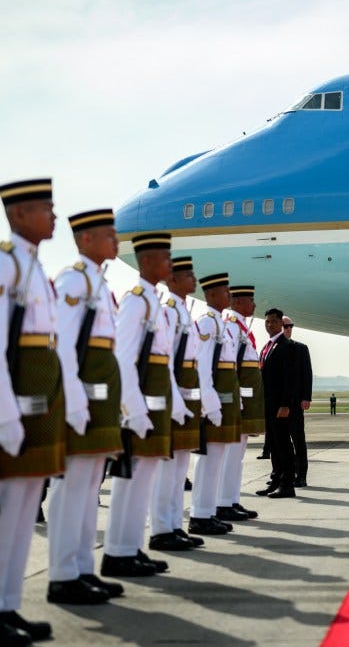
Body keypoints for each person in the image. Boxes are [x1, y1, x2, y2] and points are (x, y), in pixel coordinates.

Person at [0, 179, 66, 645]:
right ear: (20, 213)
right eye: (46, 208)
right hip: (12, 407)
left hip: (39, 404)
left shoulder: (34, 268)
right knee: (0, 511)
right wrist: (1, 414)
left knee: (25, 511)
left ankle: (5, 608)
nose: (55, 216)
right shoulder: (0, 262)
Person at [46, 209, 124, 606]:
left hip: (101, 396)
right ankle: (62, 574)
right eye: (109, 234)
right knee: (72, 485)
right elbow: (64, 344)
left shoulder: (100, 284)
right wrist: (73, 398)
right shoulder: (74, 279)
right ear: (86, 239)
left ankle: (81, 570)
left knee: (90, 484)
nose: (116, 240)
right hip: (81, 396)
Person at [101, 232, 181, 579]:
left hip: (155, 398)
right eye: (165, 257)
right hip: (139, 402)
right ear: (147, 261)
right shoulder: (135, 301)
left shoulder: (154, 302)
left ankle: (132, 549)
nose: (170, 264)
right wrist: (133, 408)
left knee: (144, 477)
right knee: (130, 478)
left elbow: (163, 361)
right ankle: (117, 551)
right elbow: (125, 357)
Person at [149, 255, 212, 548]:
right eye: (188, 275)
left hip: (188, 394)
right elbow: (168, 362)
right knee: (168, 467)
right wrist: (174, 398)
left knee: (179, 467)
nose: (194, 281)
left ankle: (174, 525)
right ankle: (161, 529)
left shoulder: (184, 313)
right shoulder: (170, 312)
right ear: (172, 280)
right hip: (176, 395)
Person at [190, 273, 244, 529]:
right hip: (213, 402)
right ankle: (200, 514)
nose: (229, 297)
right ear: (211, 295)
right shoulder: (208, 323)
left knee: (217, 457)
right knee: (210, 457)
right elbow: (203, 367)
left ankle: (208, 511)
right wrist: (209, 403)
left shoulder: (220, 324)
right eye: (225, 292)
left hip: (224, 400)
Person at [223, 286, 261, 518]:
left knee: (237, 456)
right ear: (237, 303)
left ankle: (231, 499)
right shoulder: (231, 327)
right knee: (230, 455)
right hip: (236, 401)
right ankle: (224, 502)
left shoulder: (241, 328)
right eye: (250, 301)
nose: (254, 306)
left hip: (244, 401)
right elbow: (230, 368)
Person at [258, 308, 300, 498]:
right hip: (268, 405)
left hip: (280, 406)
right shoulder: (268, 346)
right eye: (267, 322)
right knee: (274, 444)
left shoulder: (286, 346)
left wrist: (286, 404)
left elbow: (290, 379)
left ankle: (287, 484)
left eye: (274, 322)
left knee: (283, 444)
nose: (269, 325)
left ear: (281, 325)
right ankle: (276, 480)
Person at [282, 317, 312, 486]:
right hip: (277, 404)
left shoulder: (300, 349)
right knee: (279, 442)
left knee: (298, 440)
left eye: (290, 326)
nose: (288, 329)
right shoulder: (271, 348)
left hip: (295, 403)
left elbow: (307, 374)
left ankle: (301, 475)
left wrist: (306, 397)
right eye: (286, 326)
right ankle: (282, 474)